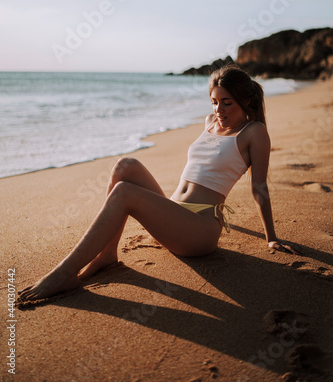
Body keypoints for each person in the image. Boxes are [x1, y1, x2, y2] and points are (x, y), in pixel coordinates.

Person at [18, 65, 299, 304]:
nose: (219, 109)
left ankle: (65, 272)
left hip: (198, 231)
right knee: (125, 166)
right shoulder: (210, 122)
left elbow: (259, 187)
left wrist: (271, 236)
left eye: (227, 102)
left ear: (246, 101)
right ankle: (106, 255)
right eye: (215, 101)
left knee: (125, 192)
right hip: (174, 214)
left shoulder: (254, 132)